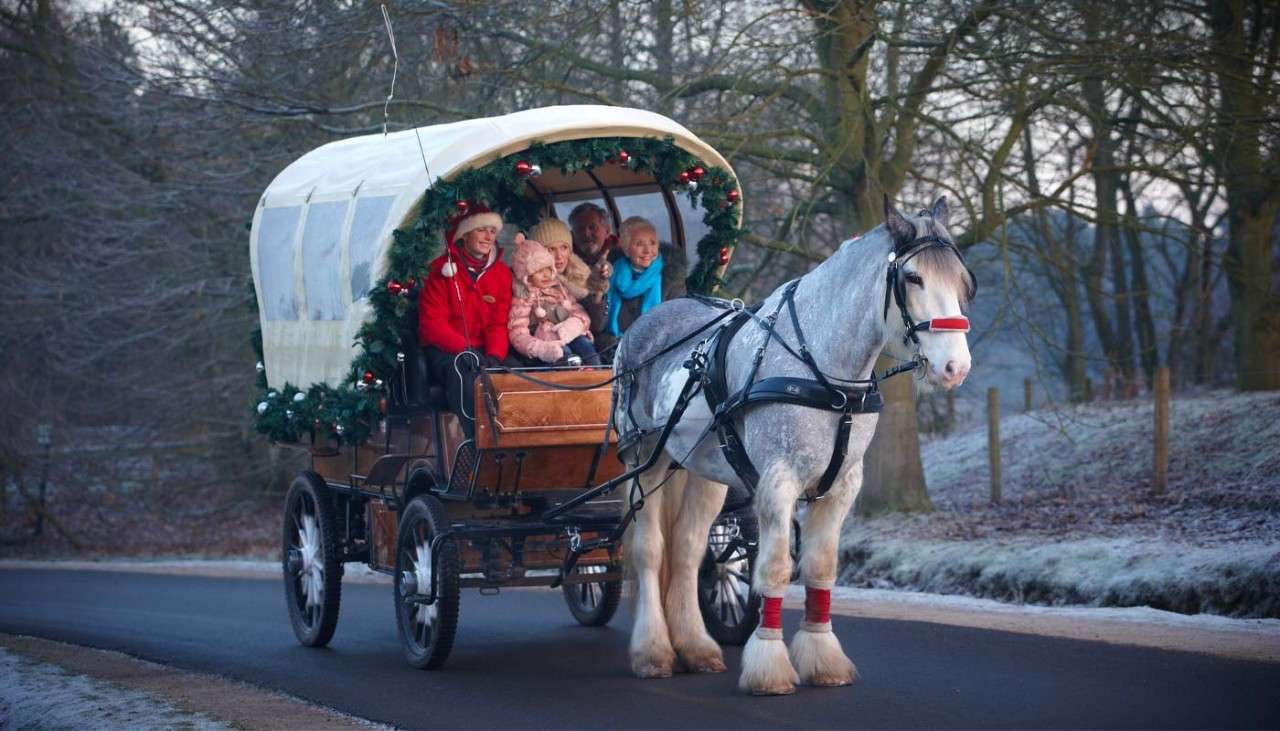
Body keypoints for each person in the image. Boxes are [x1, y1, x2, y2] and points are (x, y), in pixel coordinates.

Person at [418, 203, 513, 434]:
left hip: (483, 350)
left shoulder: (501, 273)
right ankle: (478, 442)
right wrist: (466, 348)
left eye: (492, 231)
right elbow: (432, 325)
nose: (489, 236)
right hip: (446, 350)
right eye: (482, 230)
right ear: (464, 234)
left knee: (516, 372)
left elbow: (497, 323)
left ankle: (519, 440)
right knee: (462, 372)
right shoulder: (440, 270)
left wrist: (495, 356)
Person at [508, 234, 601, 366]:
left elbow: (579, 312)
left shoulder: (559, 288)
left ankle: (598, 376)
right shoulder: (524, 298)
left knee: (590, 353)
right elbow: (518, 334)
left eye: (548, 269)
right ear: (527, 277)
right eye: (539, 271)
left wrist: (573, 324)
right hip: (549, 343)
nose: (546, 274)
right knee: (567, 359)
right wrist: (540, 349)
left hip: (571, 334)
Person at [527, 217, 609, 335]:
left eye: (564, 247)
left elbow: (597, 326)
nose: (559, 256)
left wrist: (598, 291)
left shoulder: (581, 275)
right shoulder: (531, 282)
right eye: (551, 249)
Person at [607, 216, 675, 336]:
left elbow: (676, 323)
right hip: (616, 346)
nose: (648, 250)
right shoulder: (612, 273)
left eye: (652, 243)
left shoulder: (672, 280)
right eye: (639, 244)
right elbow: (600, 324)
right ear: (627, 249)